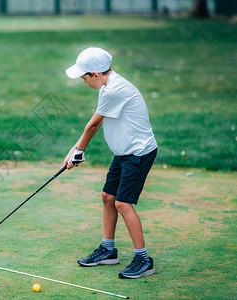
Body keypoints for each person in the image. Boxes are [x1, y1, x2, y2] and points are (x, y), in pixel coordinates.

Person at [63, 47, 158, 279]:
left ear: (95, 73)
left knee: (123, 204)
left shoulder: (114, 90)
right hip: (124, 152)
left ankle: (144, 259)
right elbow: (95, 123)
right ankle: (108, 250)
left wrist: (79, 150)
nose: (84, 81)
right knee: (108, 197)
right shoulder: (108, 85)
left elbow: (93, 126)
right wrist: (75, 150)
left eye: (85, 77)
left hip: (137, 153)